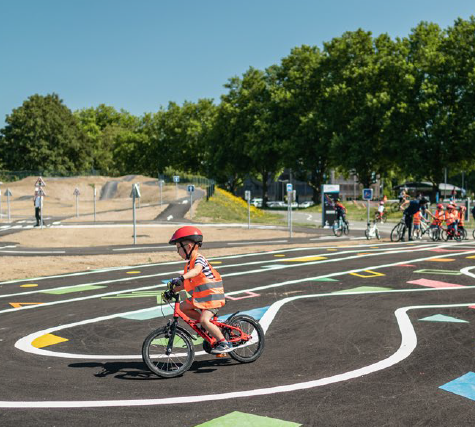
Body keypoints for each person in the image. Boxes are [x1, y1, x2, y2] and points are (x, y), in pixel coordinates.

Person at [168, 226, 230, 354]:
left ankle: (224, 342)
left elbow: (196, 271)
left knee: (204, 320)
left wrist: (182, 277)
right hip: (202, 298)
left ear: (188, 247)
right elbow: (186, 284)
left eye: (178, 248)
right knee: (183, 307)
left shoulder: (199, 259)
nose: (177, 252)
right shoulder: (188, 265)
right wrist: (173, 290)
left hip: (213, 297)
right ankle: (208, 327)